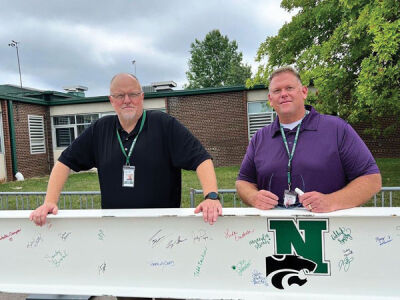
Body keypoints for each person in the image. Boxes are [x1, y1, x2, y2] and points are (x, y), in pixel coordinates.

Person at [30, 73, 222, 228]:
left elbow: (201, 159)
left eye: (133, 94)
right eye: (120, 96)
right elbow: (64, 162)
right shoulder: (100, 129)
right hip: (115, 229)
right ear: (111, 100)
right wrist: (50, 201)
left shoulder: (164, 125)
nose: (127, 100)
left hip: (162, 229)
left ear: (142, 97)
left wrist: (211, 197)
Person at [236, 66, 382, 212]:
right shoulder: (260, 138)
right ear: (270, 99)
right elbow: (243, 182)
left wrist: (331, 201)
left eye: (289, 88)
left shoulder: (337, 128)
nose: (284, 94)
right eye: (277, 91)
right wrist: (253, 197)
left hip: (330, 230)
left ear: (304, 92)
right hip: (274, 231)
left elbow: (371, 179)